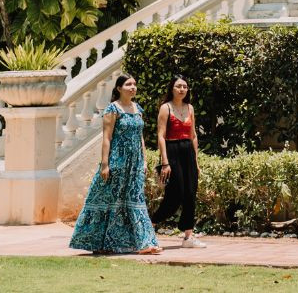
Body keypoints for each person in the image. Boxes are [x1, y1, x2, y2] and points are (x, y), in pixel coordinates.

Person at [68, 74, 160, 255]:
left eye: (134, 84)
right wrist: (105, 164)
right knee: (110, 201)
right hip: (117, 161)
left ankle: (145, 243)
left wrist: (144, 160)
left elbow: (140, 137)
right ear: (119, 88)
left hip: (135, 164)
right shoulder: (113, 109)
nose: (133, 87)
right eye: (128, 84)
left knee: (136, 201)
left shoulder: (137, 108)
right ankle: (101, 242)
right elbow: (107, 138)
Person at [151, 77, 203, 248]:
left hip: (188, 151)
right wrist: (165, 162)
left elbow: (193, 135)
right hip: (172, 150)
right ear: (171, 89)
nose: (182, 89)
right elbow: (161, 135)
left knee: (190, 193)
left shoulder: (190, 108)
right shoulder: (165, 108)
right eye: (178, 86)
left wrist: (195, 161)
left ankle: (188, 237)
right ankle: (149, 226)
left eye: (185, 86)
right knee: (175, 194)